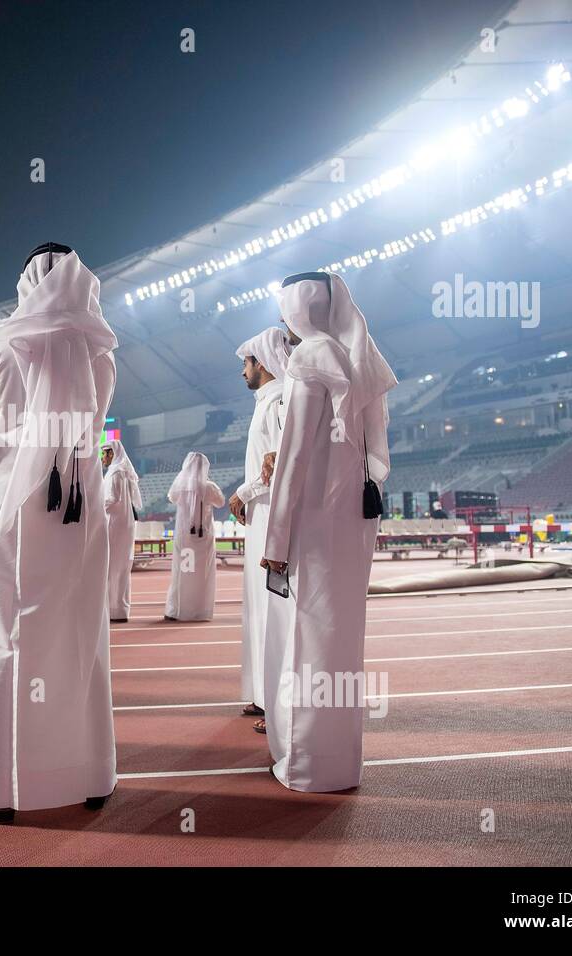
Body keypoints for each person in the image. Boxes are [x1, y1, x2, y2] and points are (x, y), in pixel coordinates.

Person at [0, 242, 118, 823]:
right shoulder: (98, 352)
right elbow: (95, 427)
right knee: (81, 638)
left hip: (8, 512)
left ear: (25, 282)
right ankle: (87, 773)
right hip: (76, 512)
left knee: (3, 638)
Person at [259, 272, 395, 792]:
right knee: (342, 636)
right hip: (354, 520)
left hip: (314, 520)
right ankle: (340, 763)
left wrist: (276, 541)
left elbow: (292, 458)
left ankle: (305, 766)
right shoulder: (359, 358)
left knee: (309, 636)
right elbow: (376, 453)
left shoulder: (309, 357)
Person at [228, 326, 292, 722]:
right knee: (257, 606)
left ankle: (278, 701)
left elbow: (280, 461)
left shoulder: (283, 399)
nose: (242, 372)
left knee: (273, 609)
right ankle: (262, 693)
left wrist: (244, 493)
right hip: (261, 518)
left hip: (273, 516)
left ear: (262, 362)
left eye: (246, 364)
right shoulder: (268, 400)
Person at [164, 452, 225, 621]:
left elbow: (172, 498)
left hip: (184, 539)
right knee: (202, 574)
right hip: (203, 538)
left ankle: (177, 609)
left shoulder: (181, 486)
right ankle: (200, 611)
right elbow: (220, 502)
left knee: (182, 572)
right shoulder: (209, 486)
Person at [102, 438, 140, 623]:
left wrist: (94, 507)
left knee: (113, 567)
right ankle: (118, 608)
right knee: (120, 567)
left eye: (105, 453)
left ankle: (113, 609)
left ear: (112, 454)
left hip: (116, 525)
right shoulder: (122, 471)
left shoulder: (116, 472)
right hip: (122, 524)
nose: (103, 457)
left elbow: (112, 499)